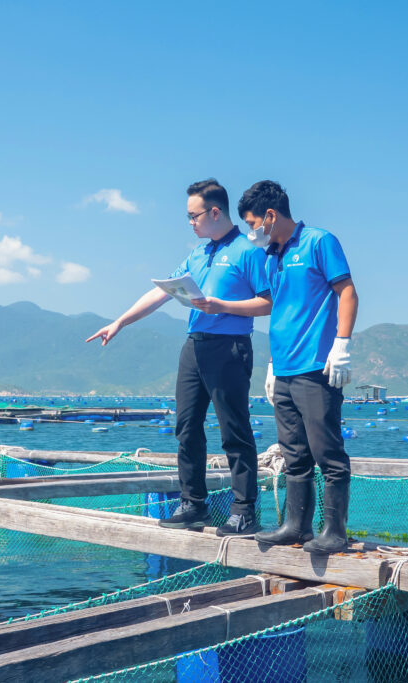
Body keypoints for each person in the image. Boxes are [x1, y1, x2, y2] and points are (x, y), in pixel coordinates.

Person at [86, 179, 271, 536]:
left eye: (193, 216)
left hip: (229, 347)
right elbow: (160, 294)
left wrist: (222, 306)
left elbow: (267, 302)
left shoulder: (248, 250)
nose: (190, 223)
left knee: (234, 429)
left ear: (214, 212)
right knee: (186, 427)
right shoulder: (196, 255)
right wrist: (120, 322)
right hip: (194, 346)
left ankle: (244, 510)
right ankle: (193, 504)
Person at [237, 180, 358, 554]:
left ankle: (334, 531)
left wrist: (341, 344)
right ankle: (296, 526)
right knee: (293, 454)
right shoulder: (271, 256)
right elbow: (280, 310)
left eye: (252, 223)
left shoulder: (319, 242)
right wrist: (272, 365)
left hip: (316, 367)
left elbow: (347, 292)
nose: (251, 232)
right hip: (284, 370)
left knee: (327, 452)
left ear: (270, 216)